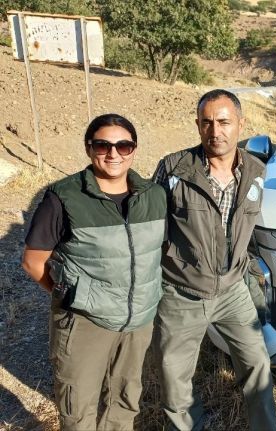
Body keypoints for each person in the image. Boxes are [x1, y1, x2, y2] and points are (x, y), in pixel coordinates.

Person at [21, 114, 167, 430]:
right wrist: (74, 294)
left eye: (123, 145)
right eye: (103, 145)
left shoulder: (154, 196)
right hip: (85, 323)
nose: (113, 153)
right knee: (78, 409)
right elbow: (33, 261)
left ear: (134, 150)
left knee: (125, 402)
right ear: (89, 149)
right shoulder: (64, 196)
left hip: (137, 321)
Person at [152, 89, 276, 431]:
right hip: (182, 293)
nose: (215, 131)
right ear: (197, 125)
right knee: (175, 381)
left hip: (232, 291)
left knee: (257, 366)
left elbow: (249, 230)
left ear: (240, 124)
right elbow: (152, 230)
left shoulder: (256, 171)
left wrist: (252, 271)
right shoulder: (173, 168)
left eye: (223, 122)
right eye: (206, 122)